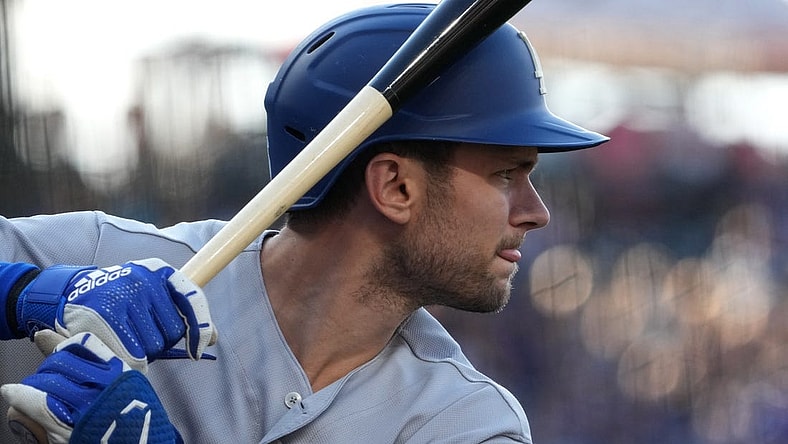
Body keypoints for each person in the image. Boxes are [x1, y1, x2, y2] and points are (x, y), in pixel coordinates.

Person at [0, 3, 608, 443]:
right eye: (508, 174)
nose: (537, 212)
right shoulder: (104, 261)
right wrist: (27, 294)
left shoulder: (465, 425)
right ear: (395, 186)